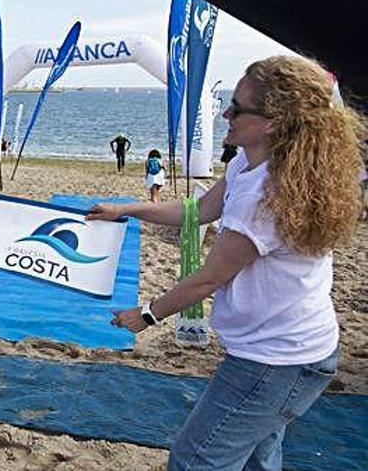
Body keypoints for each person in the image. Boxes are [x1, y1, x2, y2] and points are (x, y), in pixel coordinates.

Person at [89, 56, 364, 470]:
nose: (225, 113)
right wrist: (126, 208)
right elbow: (197, 210)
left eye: (237, 107)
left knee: (195, 460)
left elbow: (209, 278)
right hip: (288, 351)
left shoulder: (269, 195)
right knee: (258, 458)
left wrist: (145, 314)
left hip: (277, 361)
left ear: (273, 121)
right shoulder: (247, 165)